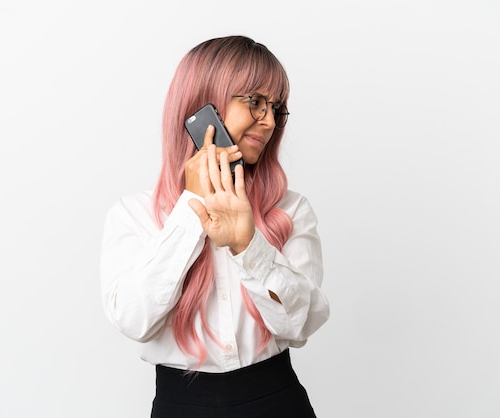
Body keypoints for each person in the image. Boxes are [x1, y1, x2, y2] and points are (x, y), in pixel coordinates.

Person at [100, 35, 330, 418]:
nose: (270, 121)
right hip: (182, 406)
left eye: (278, 108)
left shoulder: (290, 209)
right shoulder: (134, 214)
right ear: (203, 107)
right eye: (255, 101)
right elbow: (134, 320)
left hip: (276, 400)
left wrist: (248, 247)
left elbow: (300, 325)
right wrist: (191, 210)